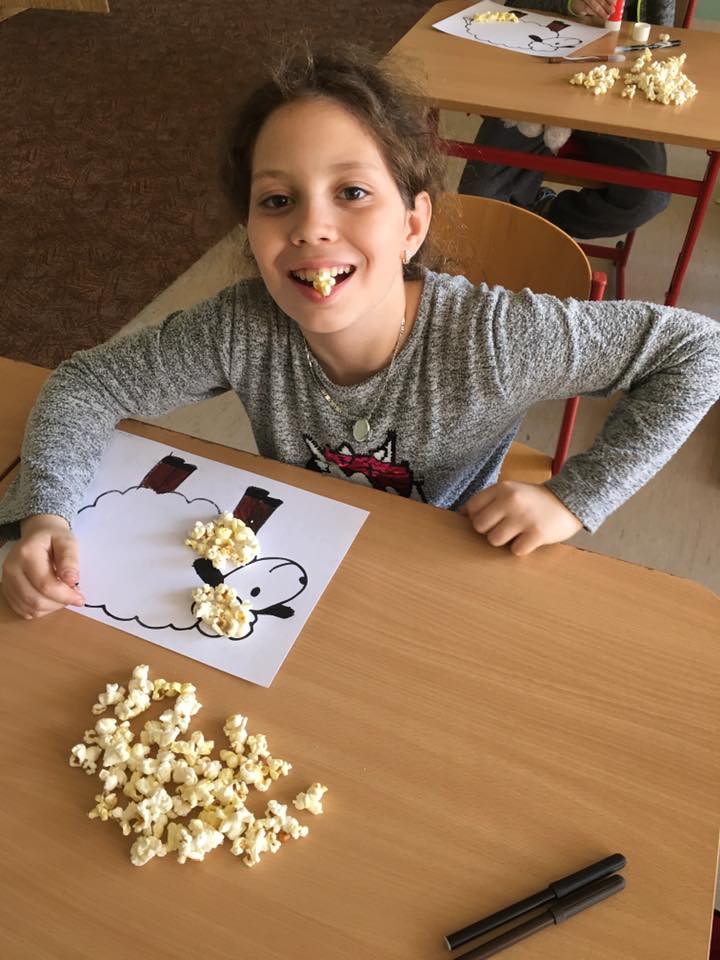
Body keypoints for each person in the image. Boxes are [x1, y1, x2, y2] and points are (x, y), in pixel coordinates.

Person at [0, 43, 718, 621]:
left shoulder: (492, 342)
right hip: (303, 561)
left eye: (352, 192)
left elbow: (696, 350)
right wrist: (45, 514)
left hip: (442, 567)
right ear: (249, 233)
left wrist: (573, 498)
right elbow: (86, 384)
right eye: (276, 200)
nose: (311, 226)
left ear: (412, 224)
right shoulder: (241, 326)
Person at [458, 0, 676, 238]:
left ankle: (544, 213)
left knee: (649, 195)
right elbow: (515, 7)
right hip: (538, 83)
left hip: (617, 92)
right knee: (477, 201)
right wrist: (570, 5)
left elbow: (663, 39)